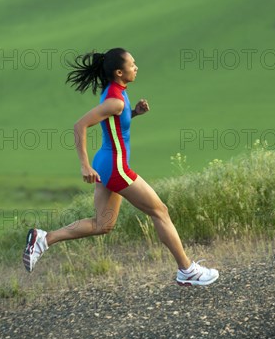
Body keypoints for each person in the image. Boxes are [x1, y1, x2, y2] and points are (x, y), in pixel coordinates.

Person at [22, 48, 219, 286]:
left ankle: (44, 238)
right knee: (160, 211)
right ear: (119, 71)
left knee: (102, 224)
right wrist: (84, 166)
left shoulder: (115, 93)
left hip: (106, 164)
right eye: (132, 64)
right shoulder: (115, 100)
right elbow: (79, 126)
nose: (136, 67)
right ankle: (187, 270)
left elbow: (116, 124)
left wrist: (134, 113)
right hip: (115, 167)